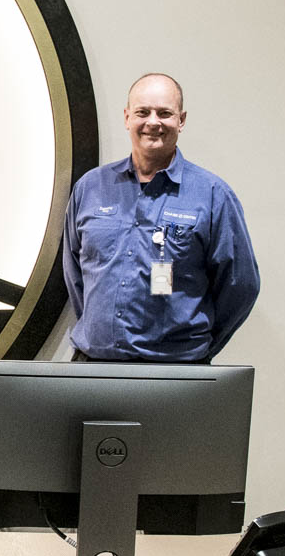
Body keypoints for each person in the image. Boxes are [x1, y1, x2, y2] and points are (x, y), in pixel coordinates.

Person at [61, 72, 259, 363]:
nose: (153, 122)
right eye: (142, 112)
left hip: (175, 371)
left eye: (164, 113)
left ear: (181, 120)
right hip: (94, 365)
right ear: (127, 117)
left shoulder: (213, 195)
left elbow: (240, 286)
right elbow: (74, 274)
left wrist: (194, 348)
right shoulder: (90, 188)